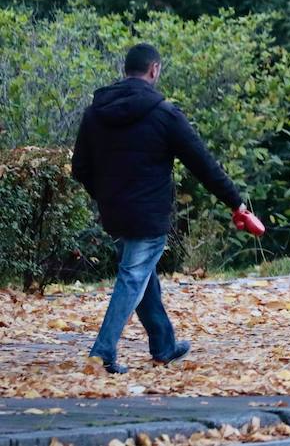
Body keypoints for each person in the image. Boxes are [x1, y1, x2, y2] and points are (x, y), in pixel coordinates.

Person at [72, 43, 251, 374]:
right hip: (148, 214)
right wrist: (237, 203)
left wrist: (106, 195)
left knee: (141, 275)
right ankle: (103, 352)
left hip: (114, 213)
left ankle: (164, 346)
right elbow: (204, 166)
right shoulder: (164, 114)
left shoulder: (95, 113)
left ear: (126, 70)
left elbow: (79, 168)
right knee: (133, 276)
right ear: (154, 70)